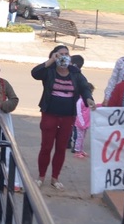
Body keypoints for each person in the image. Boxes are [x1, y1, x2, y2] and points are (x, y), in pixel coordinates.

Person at [31, 45, 96, 190]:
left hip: (68, 116)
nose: (64, 56)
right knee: (46, 147)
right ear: (54, 56)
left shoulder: (75, 72)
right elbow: (35, 73)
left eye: (67, 54)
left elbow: (84, 87)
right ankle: (41, 176)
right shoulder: (49, 71)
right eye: (60, 54)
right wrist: (50, 61)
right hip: (50, 114)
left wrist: (89, 99)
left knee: (61, 148)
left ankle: (55, 178)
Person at [74, 82, 95, 159]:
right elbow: (79, 112)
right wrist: (82, 122)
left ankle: (81, 150)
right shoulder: (80, 101)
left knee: (83, 137)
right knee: (79, 137)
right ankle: (77, 151)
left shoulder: (88, 100)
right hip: (81, 123)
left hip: (86, 122)